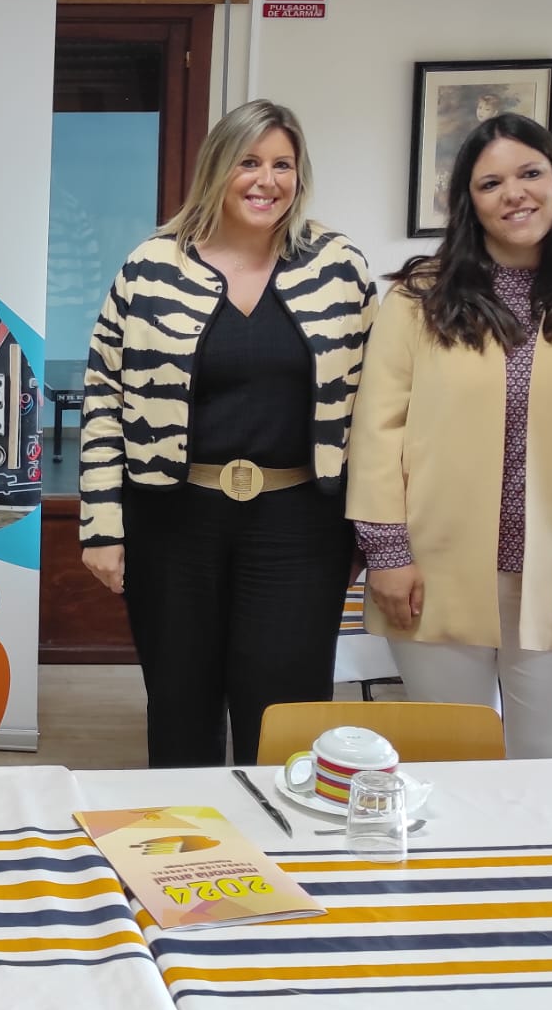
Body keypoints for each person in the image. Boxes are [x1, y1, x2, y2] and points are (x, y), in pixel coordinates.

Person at [347, 113, 552, 759]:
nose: (514, 193)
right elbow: (377, 431)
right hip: (432, 572)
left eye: (530, 173)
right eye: (490, 183)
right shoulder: (420, 297)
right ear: (469, 202)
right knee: (452, 760)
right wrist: (386, 553)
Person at [80, 100, 375, 767]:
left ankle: (292, 856)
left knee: (287, 715)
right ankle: (189, 860)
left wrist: (373, 525)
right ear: (218, 168)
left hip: (301, 525)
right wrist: (102, 526)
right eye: (249, 162)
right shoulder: (150, 267)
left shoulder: (337, 267)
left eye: (282, 165)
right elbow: (104, 396)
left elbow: (375, 407)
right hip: (173, 520)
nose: (266, 180)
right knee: (181, 710)